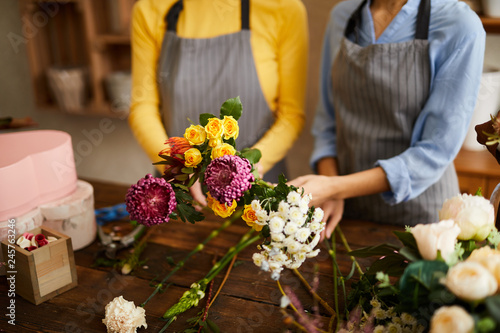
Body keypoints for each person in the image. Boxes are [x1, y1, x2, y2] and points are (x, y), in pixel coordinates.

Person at [289, 0, 486, 239]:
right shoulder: (342, 16)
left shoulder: (460, 26)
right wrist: (331, 191)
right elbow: (327, 123)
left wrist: (333, 187)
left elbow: (435, 152)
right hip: (345, 214)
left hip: (423, 225)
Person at [128, 0, 308, 206]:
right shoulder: (151, 10)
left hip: (258, 191)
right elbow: (143, 106)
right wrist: (176, 166)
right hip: (180, 189)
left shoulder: (283, 9)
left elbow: (291, 116)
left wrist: (245, 171)